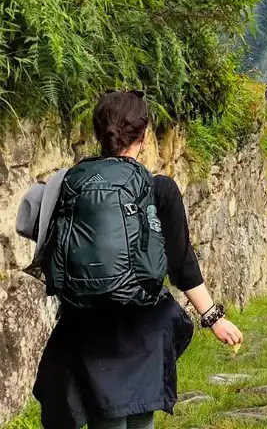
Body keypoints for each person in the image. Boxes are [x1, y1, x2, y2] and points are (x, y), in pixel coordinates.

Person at [31, 90, 242, 429]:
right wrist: (214, 318)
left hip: (87, 331)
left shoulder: (68, 184)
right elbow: (181, 264)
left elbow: (45, 252)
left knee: (104, 420)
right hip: (144, 331)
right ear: (144, 137)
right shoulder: (159, 189)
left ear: (98, 133)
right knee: (140, 420)